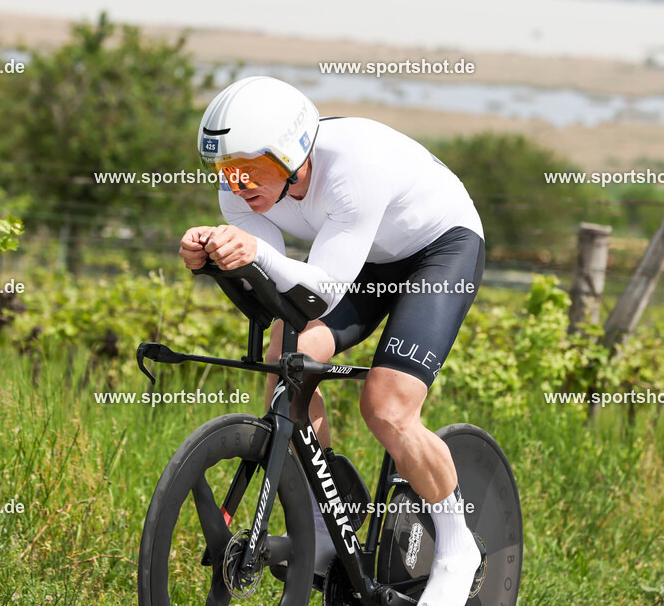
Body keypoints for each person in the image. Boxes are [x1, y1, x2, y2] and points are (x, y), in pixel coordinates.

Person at [179, 76, 484, 606]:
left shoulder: (354, 167)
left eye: (252, 167)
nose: (238, 182)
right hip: (359, 255)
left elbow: (319, 289)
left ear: (294, 152)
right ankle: (326, 520)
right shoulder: (238, 189)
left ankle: (459, 548)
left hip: (439, 248)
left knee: (387, 407)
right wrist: (218, 257)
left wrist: (252, 248)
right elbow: (280, 292)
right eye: (226, 169)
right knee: (285, 361)